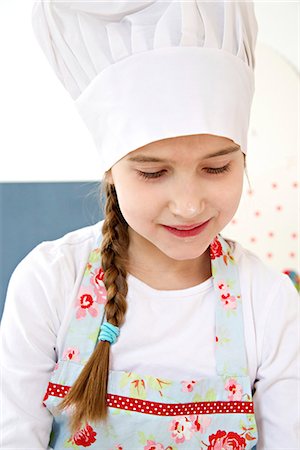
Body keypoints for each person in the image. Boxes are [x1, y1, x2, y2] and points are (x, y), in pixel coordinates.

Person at [0, 1, 299, 449]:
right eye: (153, 173)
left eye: (216, 168)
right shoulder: (48, 283)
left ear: (243, 160)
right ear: (111, 171)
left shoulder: (269, 301)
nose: (188, 205)